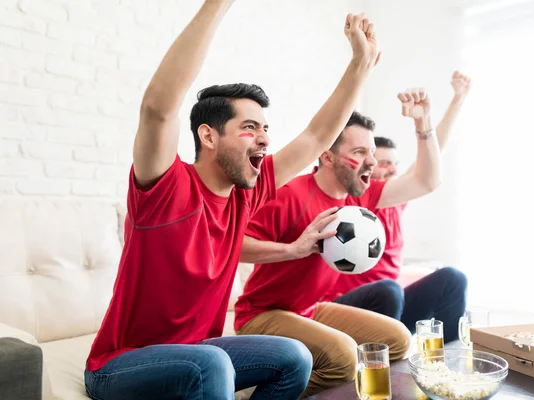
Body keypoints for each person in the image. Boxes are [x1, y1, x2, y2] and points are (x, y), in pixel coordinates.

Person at [84, 0, 382, 398]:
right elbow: (157, 109)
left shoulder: (247, 194)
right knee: (212, 361)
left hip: (197, 353)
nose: (264, 138)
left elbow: (315, 137)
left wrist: (360, 65)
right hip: (120, 365)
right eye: (249, 128)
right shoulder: (165, 189)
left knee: (295, 356)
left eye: (264, 128)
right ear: (208, 136)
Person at [234, 87, 442, 396]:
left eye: (371, 152)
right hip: (261, 314)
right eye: (359, 153)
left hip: (310, 308)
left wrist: (423, 124)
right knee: (343, 356)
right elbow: (234, 247)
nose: (370, 161)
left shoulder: (361, 197)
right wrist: (293, 249)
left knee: (398, 338)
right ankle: (254, 395)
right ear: (327, 157)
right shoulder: (289, 195)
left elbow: (427, 181)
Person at [324, 71, 472, 343]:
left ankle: (450, 366)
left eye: (395, 163)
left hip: (392, 308)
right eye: (382, 162)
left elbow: (431, 158)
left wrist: (457, 101)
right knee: (389, 290)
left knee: (453, 278)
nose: (391, 169)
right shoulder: (352, 199)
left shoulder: (396, 200)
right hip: (352, 308)